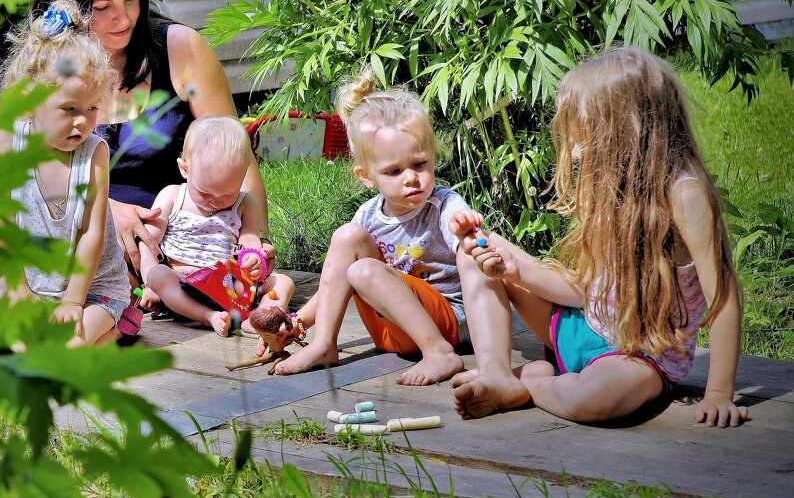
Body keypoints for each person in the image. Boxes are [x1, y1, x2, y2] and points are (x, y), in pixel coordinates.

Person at [452, 47, 748, 428]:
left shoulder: (685, 197)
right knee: (475, 248)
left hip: (638, 359)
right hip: (581, 325)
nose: (573, 154)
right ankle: (496, 372)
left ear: (626, 131)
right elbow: (588, 292)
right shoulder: (614, 191)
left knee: (597, 400)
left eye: (582, 138)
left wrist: (719, 393)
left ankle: (530, 383)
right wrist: (512, 270)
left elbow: (723, 300)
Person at [32, 0, 271, 275]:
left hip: (172, 256)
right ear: (69, 6)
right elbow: (21, 174)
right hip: (65, 239)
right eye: (102, 8)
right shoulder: (43, 63)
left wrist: (256, 242)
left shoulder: (181, 50)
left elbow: (237, 156)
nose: (124, 18)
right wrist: (106, 209)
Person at [0, 0, 130, 348]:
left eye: (91, 108)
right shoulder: (7, 139)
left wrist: (72, 302)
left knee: (58, 351)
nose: (83, 121)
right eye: (69, 109)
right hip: (30, 286)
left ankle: (112, 329)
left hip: (93, 292)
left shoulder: (93, 155)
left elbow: (91, 236)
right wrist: (17, 290)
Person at [273, 72, 490, 386]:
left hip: (447, 323)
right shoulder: (369, 215)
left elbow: (464, 234)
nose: (411, 178)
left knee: (362, 271)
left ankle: (439, 353)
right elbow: (333, 286)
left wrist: (467, 232)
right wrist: (295, 323)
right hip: (392, 328)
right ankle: (323, 345)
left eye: (420, 164)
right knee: (347, 237)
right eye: (394, 171)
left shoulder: (443, 204)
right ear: (366, 176)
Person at [137, 116, 295, 336]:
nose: (215, 202)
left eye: (227, 194)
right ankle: (207, 316)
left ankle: (260, 319)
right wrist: (148, 283)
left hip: (229, 285)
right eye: (204, 193)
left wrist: (254, 258)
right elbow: (146, 241)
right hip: (184, 284)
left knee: (284, 282)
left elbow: (249, 240)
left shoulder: (245, 203)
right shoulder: (172, 196)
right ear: (184, 169)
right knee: (159, 275)